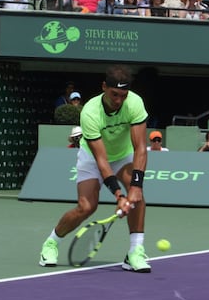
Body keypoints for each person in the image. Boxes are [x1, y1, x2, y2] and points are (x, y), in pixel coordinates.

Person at [39, 64, 151, 273]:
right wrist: (118, 195)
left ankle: (135, 251)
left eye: (123, 95)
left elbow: (140, 148)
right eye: (114, 94)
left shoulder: (134, 103)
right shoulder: (90, 113)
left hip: (123, 154)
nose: (119, 100)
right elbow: (101, 161)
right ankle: (51, 242)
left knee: (138, 196)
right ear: (104, 87)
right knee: (86, 207)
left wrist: (135, 187)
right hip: (93, 157)